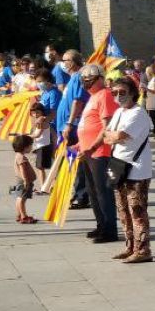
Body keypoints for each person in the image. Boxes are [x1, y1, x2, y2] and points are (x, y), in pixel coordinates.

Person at [104, 78, 154, 263]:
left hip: (137, 169)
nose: (118, 96)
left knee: (137, 211)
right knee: (123, 211)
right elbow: (106, 135)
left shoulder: (138, 113)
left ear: (133, 93)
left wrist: (114, 136)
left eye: (122, 92)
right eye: (114, 92)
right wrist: (113, 136)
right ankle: (130, 246)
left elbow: (119, 135)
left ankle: (143, 250)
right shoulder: (119, 112)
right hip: (119, 166)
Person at [75, 64, 119, 243]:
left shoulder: (105, 95)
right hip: (88, 151)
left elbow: (106, 126)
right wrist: (80, 144)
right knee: (93, 191)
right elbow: (90, 124)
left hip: (100, 152)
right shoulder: (93, 97)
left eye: (90, 79)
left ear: (101, 78)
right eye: (84, 79)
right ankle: (101, 225)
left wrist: (92, 147)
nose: (87, 82)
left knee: (103, 192)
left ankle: (110, 230)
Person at [52, 51, 90, 205]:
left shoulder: (79, 77)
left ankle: (81, 196)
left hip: (73, 127)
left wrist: (69, 123)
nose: (63, 63)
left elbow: (77, 101)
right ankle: (75, 192)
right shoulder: (73, 77)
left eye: (65, 60)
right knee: (68, 160)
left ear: (73, 62)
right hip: (66, 126)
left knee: (76, 161)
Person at [11, 134, 37, 224]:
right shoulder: (22, 157)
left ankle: (19, 215)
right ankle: (24, 216)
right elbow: (23, 170)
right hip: (24, 181)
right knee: (22, 199)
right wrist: (26, 181)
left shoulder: (18, 155)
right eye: (31, 145)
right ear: (25, 147)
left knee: (19, 198)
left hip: (19, 180)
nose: (31, 148)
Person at [29, 103, 54, 192]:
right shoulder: (40, 121)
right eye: (34, 113)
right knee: (42, 168)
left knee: (41, 168)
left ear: (42, 112)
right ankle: (46, 186)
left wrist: (26, 136)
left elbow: (37, 135)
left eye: (37, 112)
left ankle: (44, 187)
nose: (35, 114)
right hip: (42, 146)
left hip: (43, 147)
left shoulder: (42, 122)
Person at [143, 64, 155, 134]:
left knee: (154, 115)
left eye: (146, 72)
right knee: (152, 115)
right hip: (150, 99)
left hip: (153, 99)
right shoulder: (152, 79)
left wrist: (146, 89)